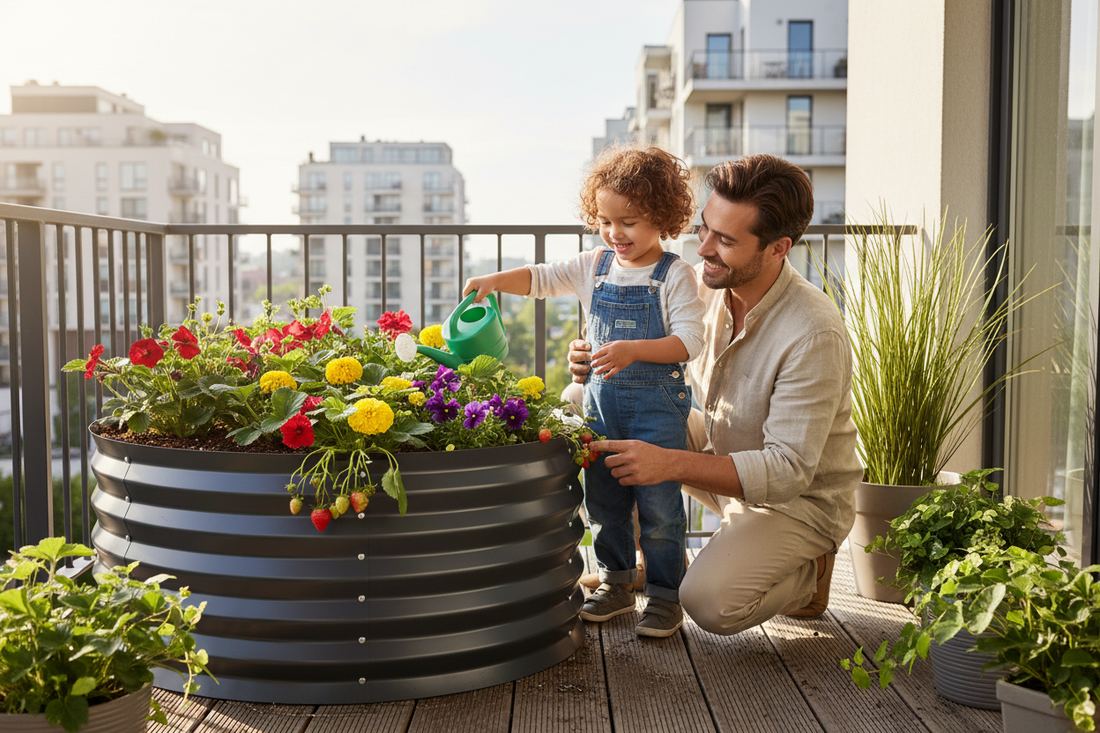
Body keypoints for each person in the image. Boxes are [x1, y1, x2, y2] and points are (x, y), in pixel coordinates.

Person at [567, 153, 861, 634]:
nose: (703, 248)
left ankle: (810, 575)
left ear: (776, 248)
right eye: (705, 229)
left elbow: (787, 472)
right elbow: (638, 351)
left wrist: (669, 463)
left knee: (708, 603)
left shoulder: (813, 332)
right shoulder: (699, 286)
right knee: (583, 401)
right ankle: (652, 564)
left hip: (796, 501)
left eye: (725, 240)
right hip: (724, 449)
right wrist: (591, 358)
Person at [463, 145, 705, 638]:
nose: (616, 233)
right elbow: (541, 278)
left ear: (662, 216)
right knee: (604, 502)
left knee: (660, 508)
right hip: (601, 409)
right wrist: (493, 281)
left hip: (658, 413)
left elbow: (690, 342)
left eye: (630, 222)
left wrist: (634, 350)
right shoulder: (594, 265)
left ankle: (664, 596)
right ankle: (617, 583)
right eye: (605, 220)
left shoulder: (674, 275)